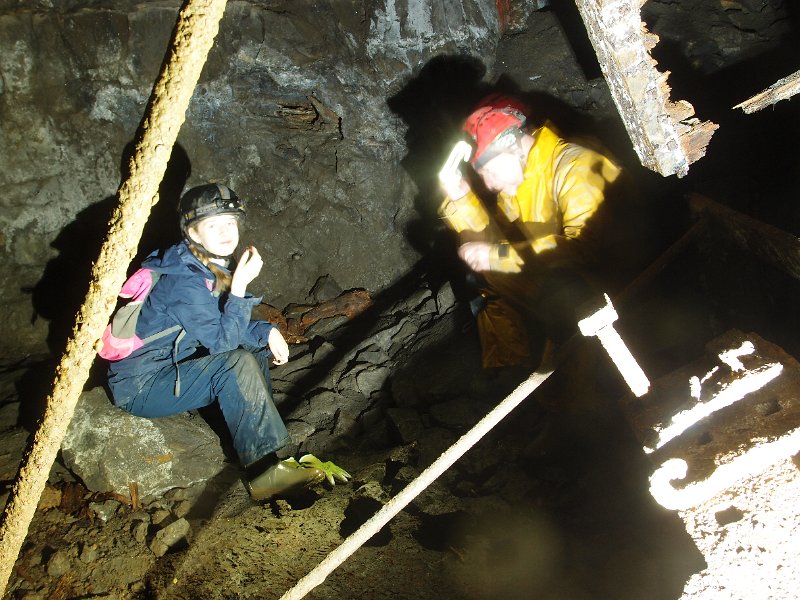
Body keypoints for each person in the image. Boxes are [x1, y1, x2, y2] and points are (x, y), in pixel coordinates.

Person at [105, 182, 332, 501]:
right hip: (141, 388)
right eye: (213, 225)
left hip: (169, 368)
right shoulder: (183, 282)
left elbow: (221, 326)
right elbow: (223, 345)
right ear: (193, 233)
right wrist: (238, 289)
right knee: (235, 362)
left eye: (230, 223)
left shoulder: (204, 265)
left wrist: (264, 332)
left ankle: (263, 449)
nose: (226, 232)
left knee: (250, 349)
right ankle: (266, 475)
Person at [438, 94, 625, 369]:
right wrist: (461, 199)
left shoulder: (576, 166)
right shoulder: (521, 187)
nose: (488, 184)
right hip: (573, 290)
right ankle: (513, 365)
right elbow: (498, 249)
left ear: (513, 145)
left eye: (489, 171)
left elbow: (585, 249)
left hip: (623, 285)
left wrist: (496, 256)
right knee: (483, 275)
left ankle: (590, 379)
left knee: (560, 286)